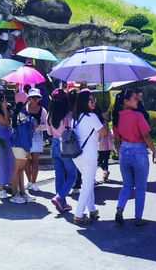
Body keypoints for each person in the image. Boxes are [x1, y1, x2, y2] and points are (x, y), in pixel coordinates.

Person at [112, 88, 156, 226]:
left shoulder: (117, 117)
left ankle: (120, 208)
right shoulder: (138, 116)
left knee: (127, 185)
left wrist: (121, 152)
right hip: (138, 151)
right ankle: (138, 218)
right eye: (133, 98)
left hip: (124, 151)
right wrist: (154, 151)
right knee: (140, 187)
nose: (137, 100)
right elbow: (146, 136)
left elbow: (117, 139)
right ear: (126, 101)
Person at [71, 89, 108, 224]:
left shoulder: (74, 118)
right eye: (90, 100)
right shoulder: (91, 117)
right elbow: (103, 132)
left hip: (76, 155)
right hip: (89, 155)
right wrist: (104, 119)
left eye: (94, 99)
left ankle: (92, 210)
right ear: (83, 102)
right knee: (87, 184)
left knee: (88, 181)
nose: (93, 102)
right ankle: (78, 214)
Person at [47, 89, 77, 212]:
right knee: (72, 176)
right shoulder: (69, 115)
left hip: (54, 144)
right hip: (66, 145)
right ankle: (60, 198)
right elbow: (73, 130)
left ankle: (62, 203)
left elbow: (49, 132)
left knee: (59, 175)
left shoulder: (50, 114)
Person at [10, 99, 36, 204]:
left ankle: (21, 193)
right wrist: (27, 149)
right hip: (20, 145)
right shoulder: (22, 114)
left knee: (20, 170)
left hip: (19, 145)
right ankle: (15, 194)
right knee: (17, 169)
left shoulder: (21, 113)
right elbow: (23, 133)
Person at [25, 88, 48, 192]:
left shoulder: (42, 111)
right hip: (25, 136)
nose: (35, 99)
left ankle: (34, 182)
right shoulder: (24, 108)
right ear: (29, 98)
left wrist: (37, 126)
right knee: (26, 161)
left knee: (35, 161)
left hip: (37, 136)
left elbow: (47, 125)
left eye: (37, 97)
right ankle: (29, 181)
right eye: (33, 97)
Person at [97, 103, 114, 182]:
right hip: (107, 144)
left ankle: (105, 172)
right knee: (105, 160)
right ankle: (105, 172)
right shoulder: (106, 122)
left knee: (100, 160)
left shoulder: (100, 122)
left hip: (101, 145)